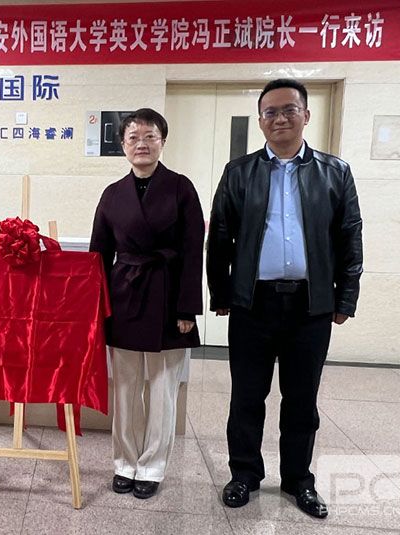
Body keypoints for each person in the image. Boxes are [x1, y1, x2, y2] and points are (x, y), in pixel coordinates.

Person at [207, 79, 363, 518]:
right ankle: (244, 474)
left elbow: (350, 236)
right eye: (270, 112)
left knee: (302, 399)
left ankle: (298, 480)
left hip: (310, 306)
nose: (280, 119)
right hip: (252, 303)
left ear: (306, 115)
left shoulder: (335, 172)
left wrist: (345, 297)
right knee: (246, 396)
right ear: (260, 121)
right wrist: (221, 293)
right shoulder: (239, 172)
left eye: (289, 110)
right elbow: (219, 236)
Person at [90, 108, 204, 499]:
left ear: (162, 142)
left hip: (169, 296)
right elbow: (98, 255)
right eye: (133, 137)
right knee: (124, 388)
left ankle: (152, 466)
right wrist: (96, 305)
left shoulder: (181, 188)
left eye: (150, 136)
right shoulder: (112, 194)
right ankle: (124, 463)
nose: (142, 143)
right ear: (123, 145)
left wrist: (187, 309)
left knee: (162, 390)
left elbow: (193, 252)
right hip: (123, 295)